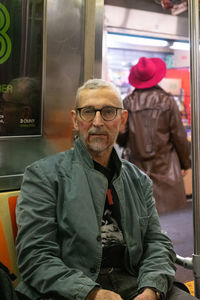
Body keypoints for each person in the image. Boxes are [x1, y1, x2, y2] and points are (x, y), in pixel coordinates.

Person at [15, 79, 196, 300]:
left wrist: (152, 288)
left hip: (135, 282)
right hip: (70, 289)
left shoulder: (138, 180)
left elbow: (156, 242)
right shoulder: (43, 176)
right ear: (75, 119)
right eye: (88, 111)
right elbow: (35, 256)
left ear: (122, 120)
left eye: (108, 111)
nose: (98, 122)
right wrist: (91, 293)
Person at [117, 57, 191, 214]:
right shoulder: (168, 101)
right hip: (165, 168)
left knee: (140, 217)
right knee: (168, 222)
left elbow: (121, 139)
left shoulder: (127, 102)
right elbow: (179, 136)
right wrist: (185, 163)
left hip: (136, 169)